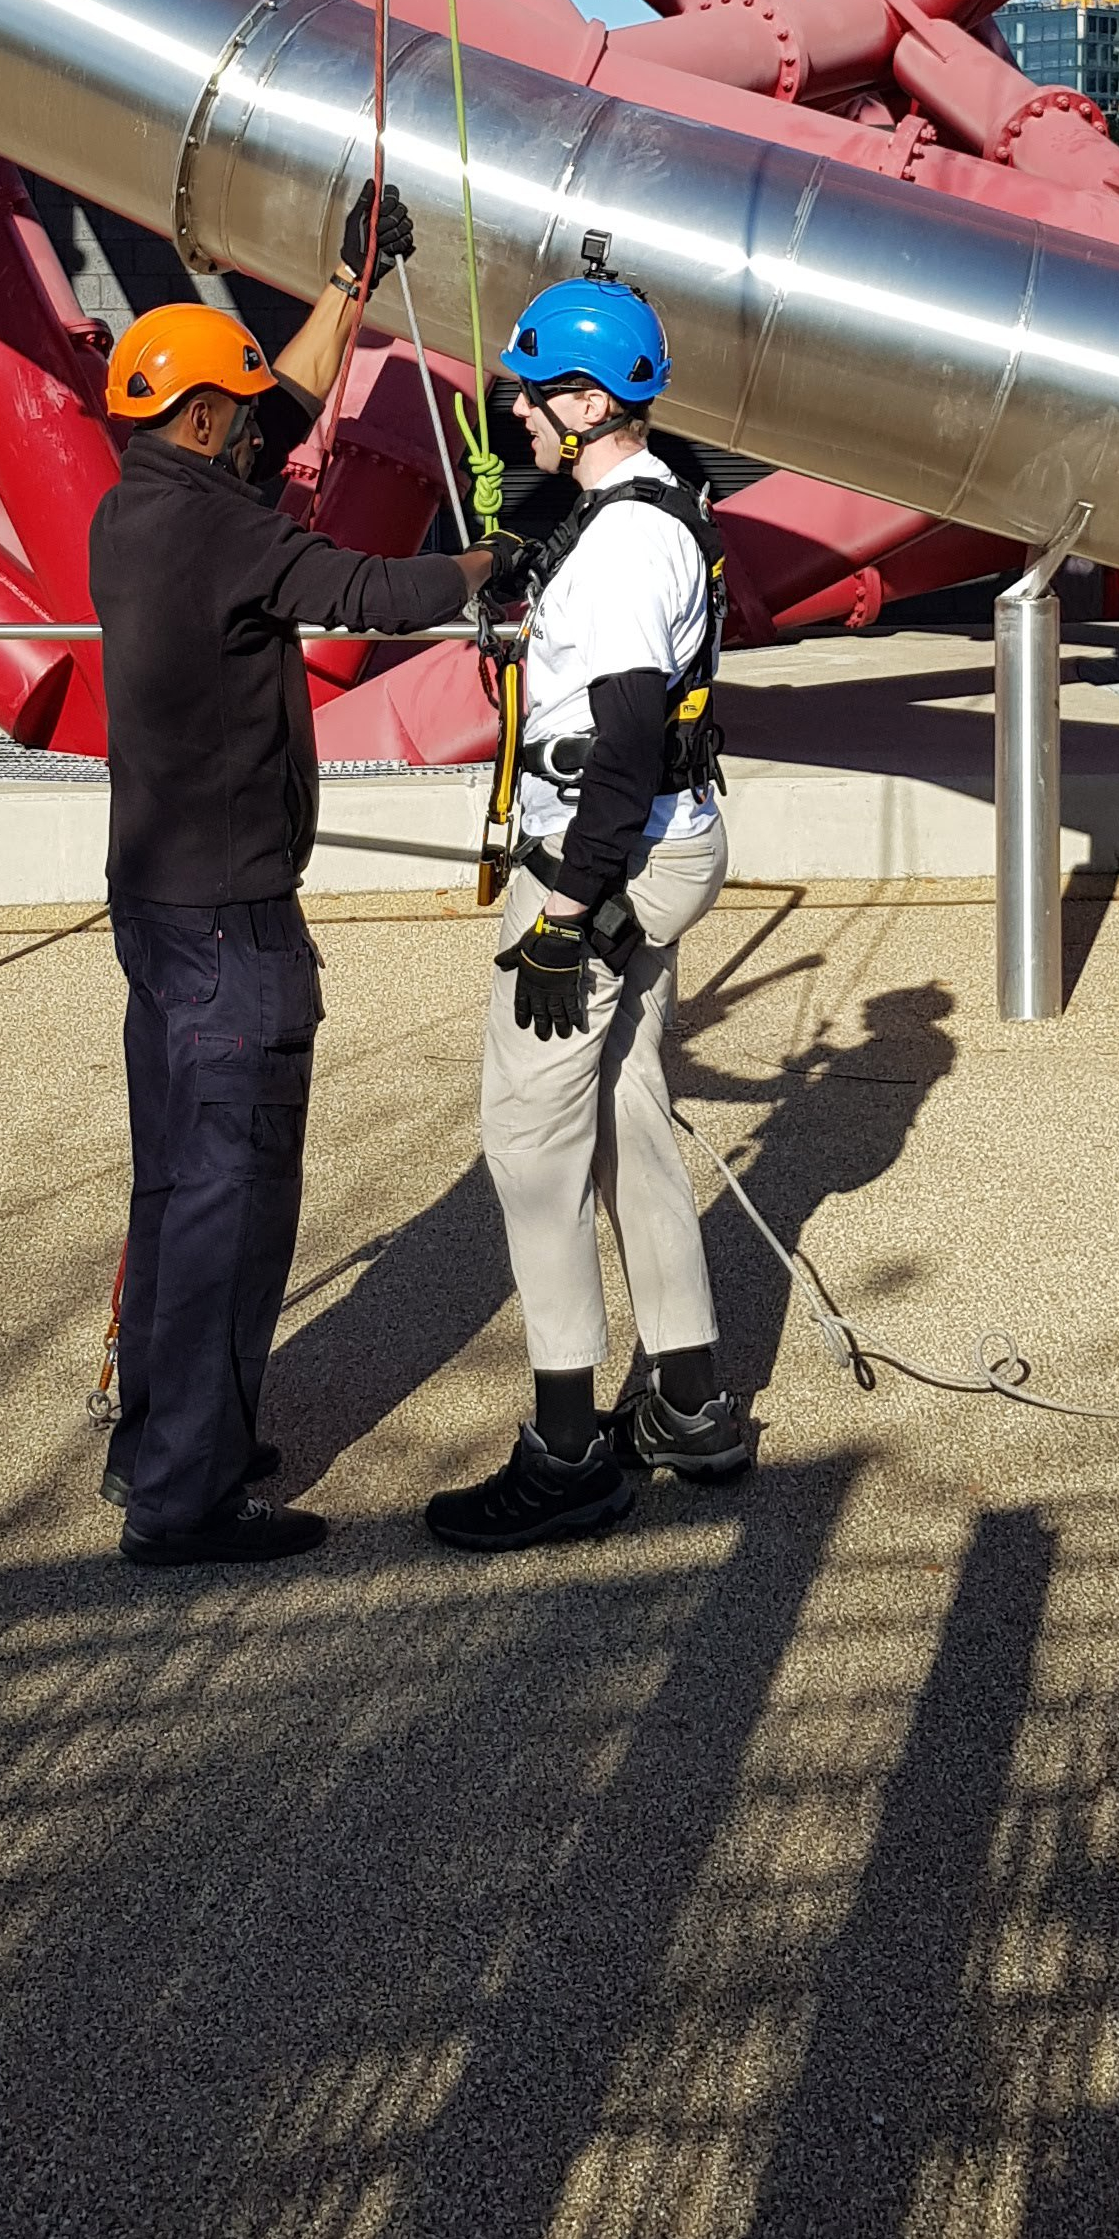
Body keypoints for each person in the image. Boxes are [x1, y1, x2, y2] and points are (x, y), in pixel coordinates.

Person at [92, 177, 517, 1571]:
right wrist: (490, 565)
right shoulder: (222, 528)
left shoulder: (139, 504)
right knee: (233, 1193)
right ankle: (189, 1499)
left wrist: (348, 280)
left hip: (159, 908)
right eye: (233, 415)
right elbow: (362, 589)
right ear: (199, 424)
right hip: (230, 923)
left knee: (172, 1186)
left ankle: (161, 1437)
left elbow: (272, 406)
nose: (250, 429)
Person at [425, 268, 743, 1554]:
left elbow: (616, 744)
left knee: (529, 1141)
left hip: (598, 855)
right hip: (659, 844)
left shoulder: (621, 545)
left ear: (583, 398)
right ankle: (689, 1402)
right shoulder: (655, 508)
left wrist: (563, 913)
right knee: (626, 1111)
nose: (516, 408)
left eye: (530, 389)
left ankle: (565, 1449)